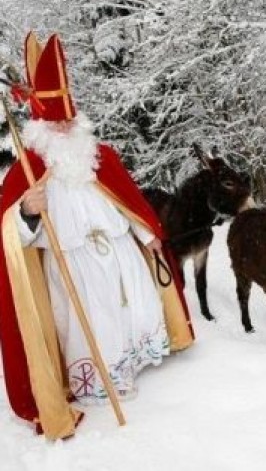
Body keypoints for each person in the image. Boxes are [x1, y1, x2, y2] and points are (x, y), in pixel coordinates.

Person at [0, 31, 194, 440]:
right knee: (93, 322)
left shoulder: (99, 155)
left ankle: (136, 361)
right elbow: (8, 233)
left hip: (119, 250)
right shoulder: (27, 171)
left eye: (71, 120)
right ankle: (102, 379)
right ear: (42, 124)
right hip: (73, 265)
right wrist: (27, 211)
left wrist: (148, 235)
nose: (69, 126)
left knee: (130, 310)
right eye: (59, 122)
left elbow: (128, 200)